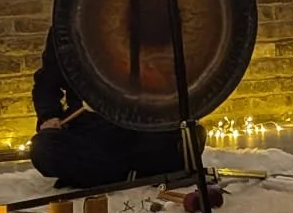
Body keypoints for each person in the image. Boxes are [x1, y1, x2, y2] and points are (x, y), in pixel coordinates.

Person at [28, 31, 198, 190]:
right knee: (44, 148)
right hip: (90, 134)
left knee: (192, 137)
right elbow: (46, 83)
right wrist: (49, 116)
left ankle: (99, 174)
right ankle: (132, 172)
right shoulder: (68, 27)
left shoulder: (146, 19)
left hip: (143, 129)